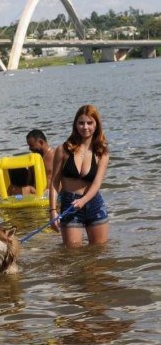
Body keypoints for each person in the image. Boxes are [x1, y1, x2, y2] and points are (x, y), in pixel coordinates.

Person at [49, 105, 109, 247]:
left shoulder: (102, 152)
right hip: (70, 204)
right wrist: (52, 210)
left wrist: (83, 201)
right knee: (72, 255)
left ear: (96, 125)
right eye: (81, 123)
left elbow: (96, 184)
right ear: (75, 125)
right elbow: (54, 183)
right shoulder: (63, 150)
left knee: (99, 253)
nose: (85, 127)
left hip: (94, 204)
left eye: (89, 123)